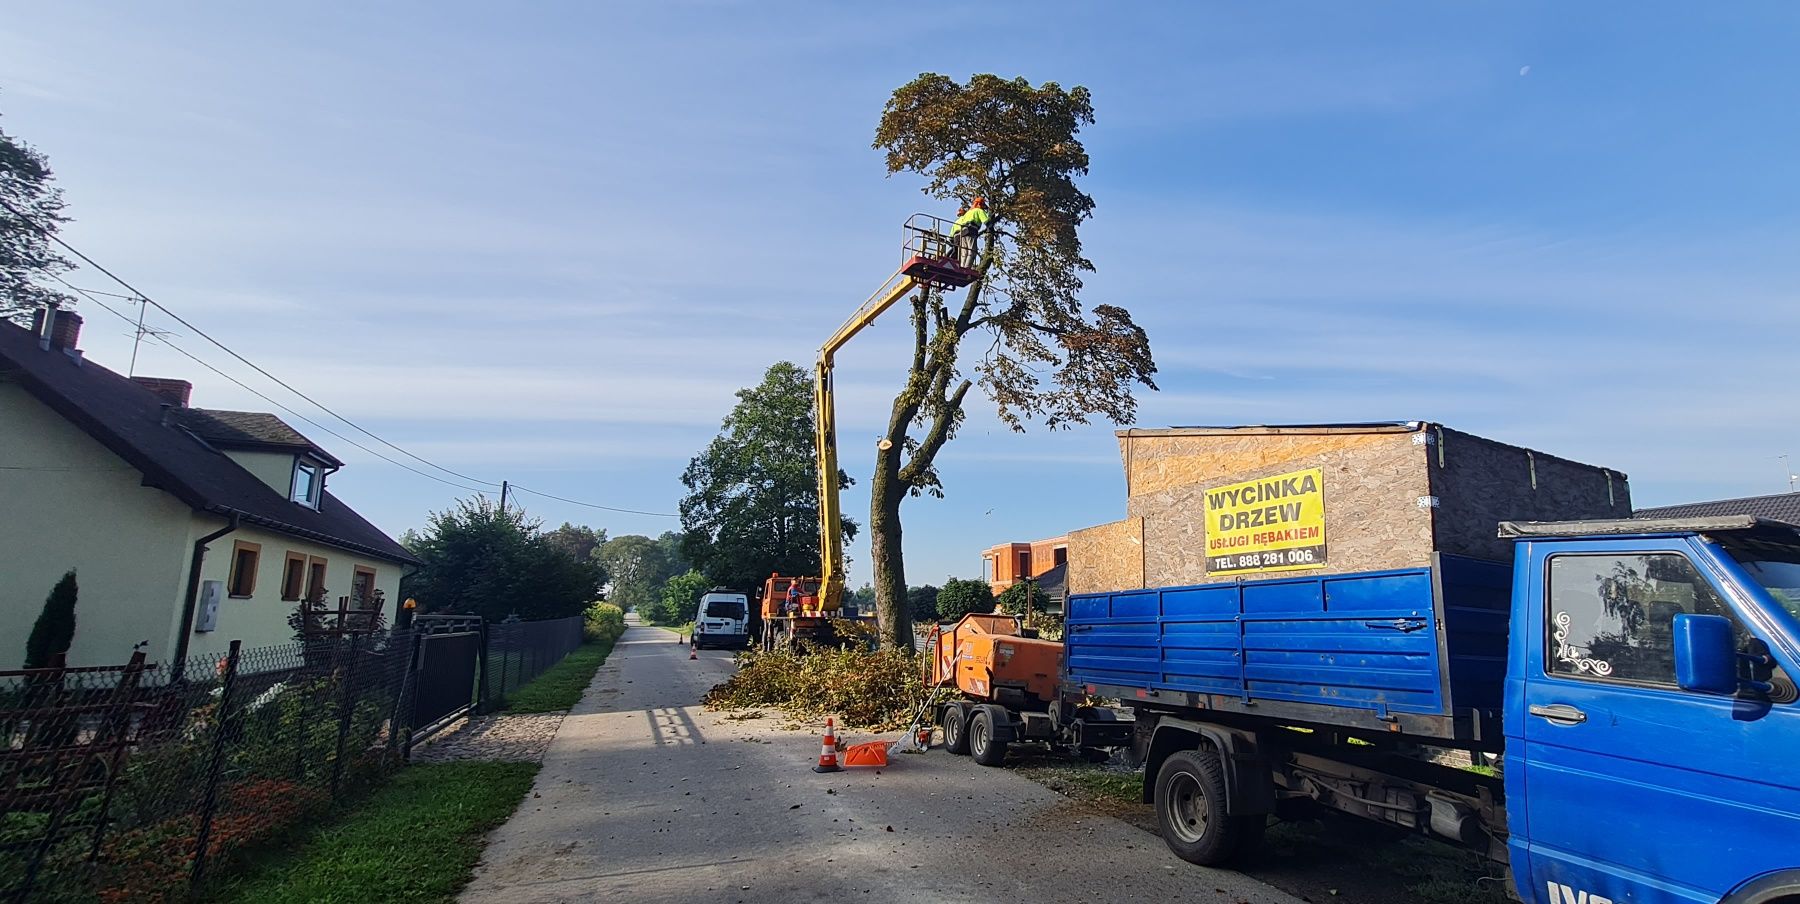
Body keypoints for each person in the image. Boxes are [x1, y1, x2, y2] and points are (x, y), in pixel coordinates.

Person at [949, 197, 990, 268]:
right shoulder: (979, 211)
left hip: (962, 233)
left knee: (964, 253)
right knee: (972, 251)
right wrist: (991, 228)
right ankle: (966, 268)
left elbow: (951, 235)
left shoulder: (968, 212)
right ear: (981, 204)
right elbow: (987, 222)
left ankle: (961, 267)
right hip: (971, 231)